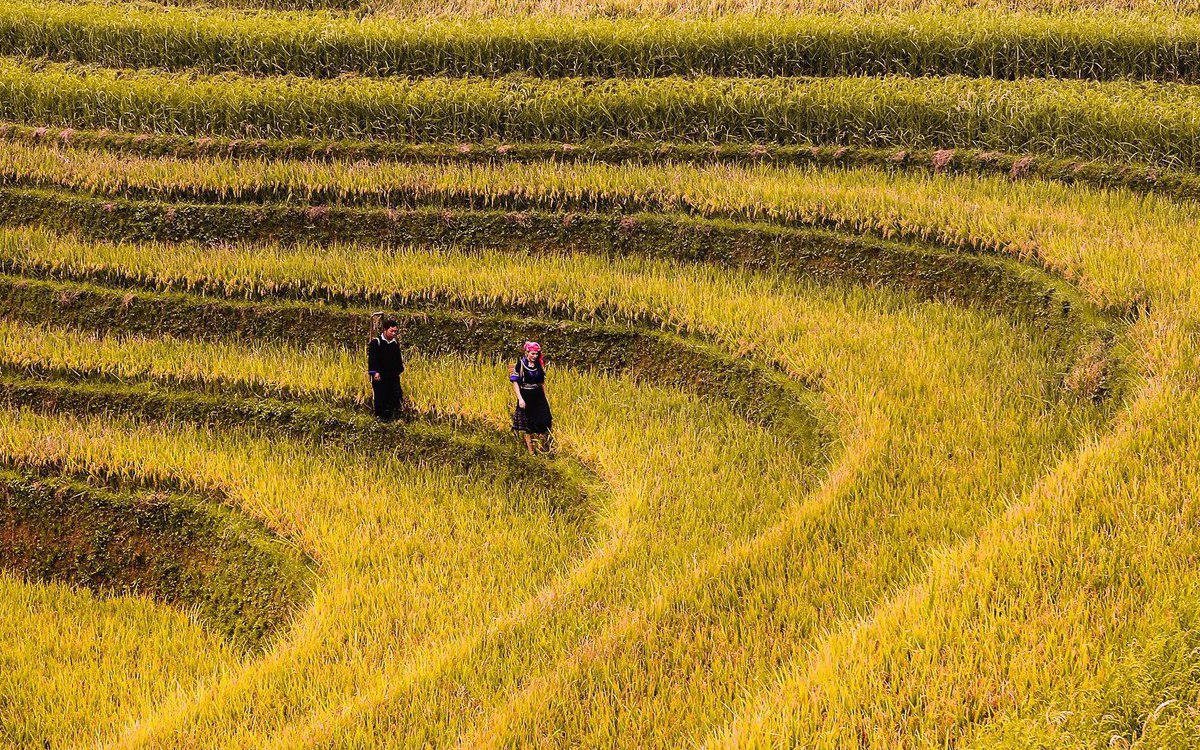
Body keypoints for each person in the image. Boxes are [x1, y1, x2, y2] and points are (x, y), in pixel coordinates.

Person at [510, 341, 552, 454]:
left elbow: (542, 382)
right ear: (527, 352)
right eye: (532, 354)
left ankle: (542, 448)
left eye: (536, 354)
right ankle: (531, 452)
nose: (534, 356)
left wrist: (545, 397)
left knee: (545, 420)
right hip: (526, 395)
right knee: (528, 425)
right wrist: (520, 399)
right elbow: (515, 382)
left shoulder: (538, 365)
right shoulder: (521, 364)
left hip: (538, 395)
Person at [367, 319, 404, 421]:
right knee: (381, 397)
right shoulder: (376, 343)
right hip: (380, 376)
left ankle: (394, 418)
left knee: (396, 395)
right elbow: (372, 359)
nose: (393, 333)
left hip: (392, 375)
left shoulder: (395, 343)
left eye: (395, 331)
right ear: (385, 330)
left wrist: (399, 370)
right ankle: (381, 419)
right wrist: (374, 373)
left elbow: (398, 359)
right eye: (391, 331)